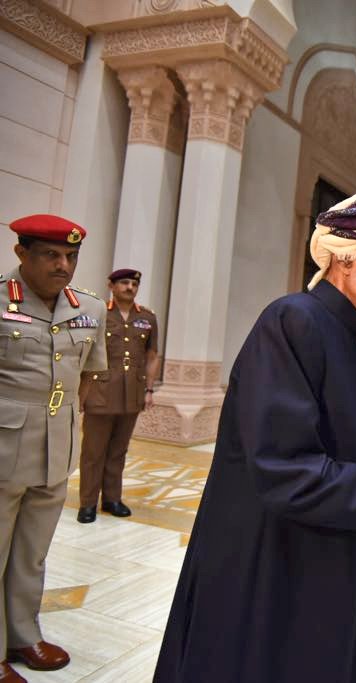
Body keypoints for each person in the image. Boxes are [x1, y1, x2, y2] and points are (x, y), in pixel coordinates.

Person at [154, 192, 356, 683]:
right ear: (345, 254)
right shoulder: (294, 320)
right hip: (266, 560)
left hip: (312, 546)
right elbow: (287, 470)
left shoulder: (342, 334)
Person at [0, 215, 107, 681]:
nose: (63, 266)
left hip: (56, 449)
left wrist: (62, 425)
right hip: (3, 446)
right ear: (22, 254)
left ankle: (23, 634)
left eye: (71, 256)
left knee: (32, 552)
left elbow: (85, 378)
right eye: (51, 255)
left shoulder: (89, 308)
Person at [77, 268, 160, 523]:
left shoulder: (147, 317)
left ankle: (112, 498)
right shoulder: (98, 313)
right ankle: (88, 503)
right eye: (123, 283)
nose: (129, 288)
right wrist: (81, 392)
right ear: (111, 285)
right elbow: (83, 352)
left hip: (131, 393)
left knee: (118, 450)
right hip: (100, 391)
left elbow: (152, 355)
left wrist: (148, 389)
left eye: (134, 284)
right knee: (93, 451)